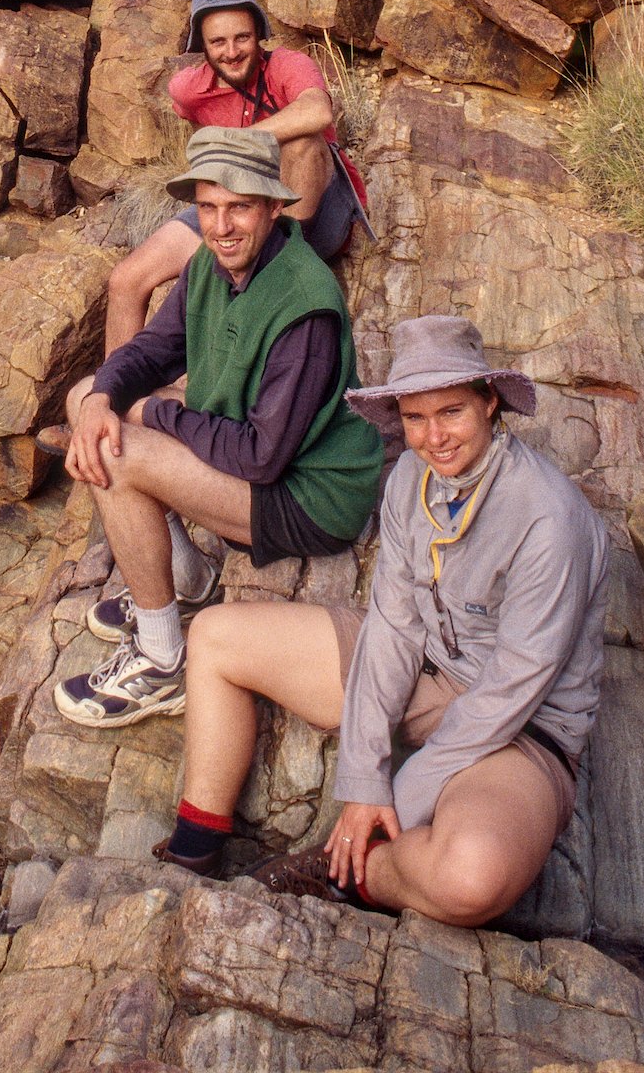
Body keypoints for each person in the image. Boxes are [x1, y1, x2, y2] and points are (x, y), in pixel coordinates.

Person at [152, 315, 610, 929]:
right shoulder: (409, 484)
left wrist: (390, 802)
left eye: (451, 412)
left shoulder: (549, 518)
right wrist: (362, 778)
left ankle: (351, 871)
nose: (433, 437)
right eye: (415, 419)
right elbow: (393, 629)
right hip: (430, 675)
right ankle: (195, 848)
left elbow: (514, 686)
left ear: (489, 401)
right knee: (214, 636)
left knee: (471, 880)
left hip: (522, 729)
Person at [52, 127, 384, 731]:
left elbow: (261, 458)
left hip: (310, 496)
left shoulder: (305, 304)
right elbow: (153, 350)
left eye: (240, 207)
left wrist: (153, 414)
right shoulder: (212, 264)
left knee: (118, 453)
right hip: (254, 448)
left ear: (275, 207)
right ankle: (184, 576)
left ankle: (160, 661)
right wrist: (104, 396)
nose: (222, 225)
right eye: (208, 207)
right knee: (87, 399)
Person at [103, 0, 369, 354]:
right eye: (218, 42)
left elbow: (318, 111)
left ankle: (281, 263)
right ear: (203, 47)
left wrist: (236, 142)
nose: (231, 52)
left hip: (311, 214)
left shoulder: (289, 66)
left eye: (242, 38)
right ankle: (114, 395)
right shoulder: (188, 89)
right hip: (241, 209)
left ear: (259, 35)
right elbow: (198, 136)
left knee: (303, 140)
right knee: (127, 279)